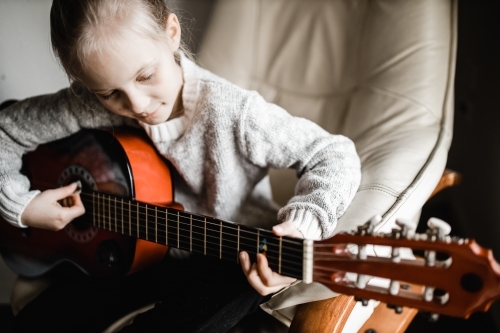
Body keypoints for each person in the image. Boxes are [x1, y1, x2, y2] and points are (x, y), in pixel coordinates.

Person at [0, 0, 361, 332]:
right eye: (110, 93)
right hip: (133, 251)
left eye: (144, 76)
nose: (137, 104)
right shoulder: (88, 105)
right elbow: (6, 128)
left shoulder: (232, 113)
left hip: (230, 253)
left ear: (172, 33)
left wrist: (301, 226)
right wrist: (22, 204)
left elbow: (332, 155)